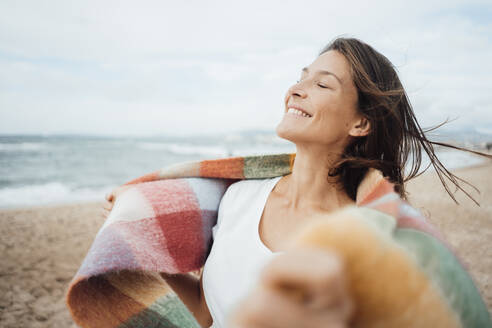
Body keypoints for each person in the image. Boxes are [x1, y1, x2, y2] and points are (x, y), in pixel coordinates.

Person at [103, 37, 491, 328]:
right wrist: (145, 237)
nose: (296, 89)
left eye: (323, 85)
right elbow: (207, 315)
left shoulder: (368, 239)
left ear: (360, 123)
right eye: (302, 77)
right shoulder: (238, 197)